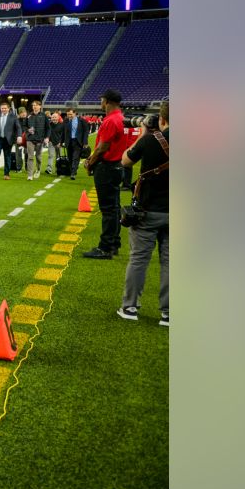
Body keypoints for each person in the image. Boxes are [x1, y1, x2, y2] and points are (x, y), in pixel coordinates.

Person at [117, 102, 169, 324]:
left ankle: (130, 308)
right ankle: (168, 313)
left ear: (162, 118)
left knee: (139, 259)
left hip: (149, 210)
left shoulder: (150, 140)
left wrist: (143, 134)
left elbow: (125, 160)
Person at [82, 90, 132, 259]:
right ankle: (113, 243)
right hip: (116, 166)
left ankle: (105, 247)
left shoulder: (111, 120)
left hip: (107, 167)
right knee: (114, 208)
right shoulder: (120, 117)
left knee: (108, 210)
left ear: (107, 101)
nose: (101, 102)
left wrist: (90, 162)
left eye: (102, 100)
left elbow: (103, 147)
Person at [0, 101, 22, 180]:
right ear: (0, 109)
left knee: (7, 157)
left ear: (8, 108)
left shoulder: (13, 116)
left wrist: (19, 136)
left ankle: (6, 174)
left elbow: (18, 127)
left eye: (5, 108)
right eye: (2, 108)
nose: (4, 109)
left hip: (8, 140)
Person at [26, 101, 51, 180]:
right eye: (33, 105)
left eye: (36, 105)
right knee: (30, 157)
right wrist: (28, 130)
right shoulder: (29, 115)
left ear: (40, 106)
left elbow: (48, 128)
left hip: (40, 140)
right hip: (30, 139)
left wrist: (47, 137)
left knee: (38, 157)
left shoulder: (44, 116)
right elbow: (24, 126)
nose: (34, 107)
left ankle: (38, 169)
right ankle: (30, 174)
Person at [64, 107, 89, 179]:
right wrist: (61, 141)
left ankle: (73, 173)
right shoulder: (66, 121)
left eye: (71, 114)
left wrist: (85, 142)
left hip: (78, 142)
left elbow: (86, 132)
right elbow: (64, 131)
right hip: (69, 142)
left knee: (76, 157)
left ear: (75, 113)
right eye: (68, 114)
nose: (69, 116)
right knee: (70, 158)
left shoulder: (82, 121)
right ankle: (72, 170)